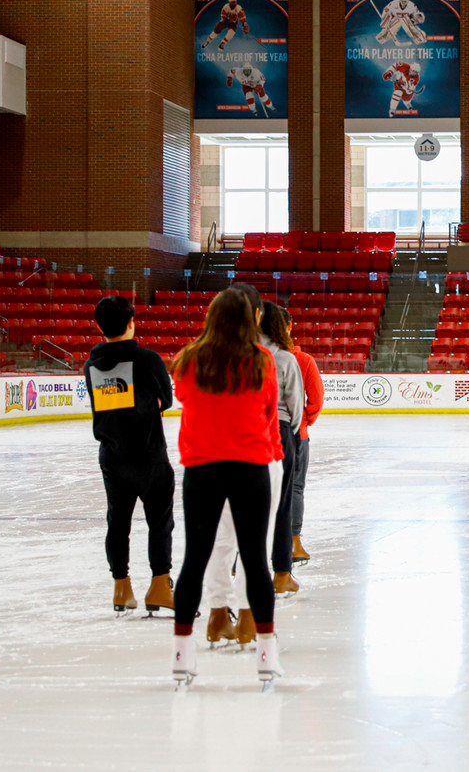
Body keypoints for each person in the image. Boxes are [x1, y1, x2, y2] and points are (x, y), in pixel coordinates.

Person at [170, 288, 283, 687]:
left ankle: (183, 652)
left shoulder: (188, 360)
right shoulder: (262, 360)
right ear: (252, 319)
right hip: (250, 465)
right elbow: (270, 408)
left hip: (201, 467)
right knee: (255, 559)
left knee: (194, 560)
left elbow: (183, 396)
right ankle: (267, 651)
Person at [84, 295, 176, 615]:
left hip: (112, 456)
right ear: (132, 322)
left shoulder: (92, 363)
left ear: (100, 327)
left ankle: (121, 588)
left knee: (118, 523)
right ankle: (160, 585)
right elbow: (167, 399)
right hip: (149, 454)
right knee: (160, 522)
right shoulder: (148, 360)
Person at [259, 302, 305, 594]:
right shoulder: (285, 359)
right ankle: (281, 574)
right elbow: (296, 405)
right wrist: (292, 432)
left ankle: (242, 565)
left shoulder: (239, 354)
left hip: (245, 431)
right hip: (279, 430)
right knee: (281, 503)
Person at [289, 311, 323, 564]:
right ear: (289, 326)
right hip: (296, 435)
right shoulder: (303, 360)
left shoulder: (256, 359)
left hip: (261, 436)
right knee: (295, 488)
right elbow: (316, 399)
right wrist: (304, 420)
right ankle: (293, 543)